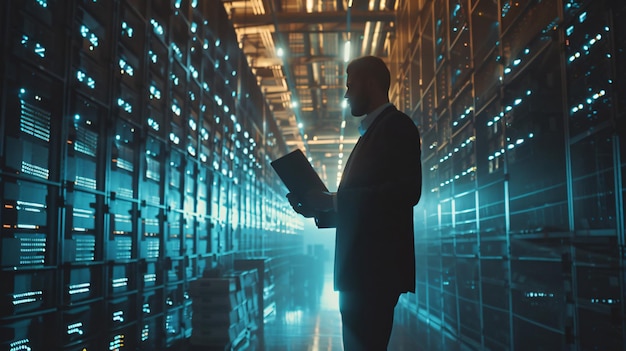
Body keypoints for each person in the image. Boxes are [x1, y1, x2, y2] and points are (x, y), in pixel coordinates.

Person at [286, 55, 422, 350]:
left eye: (350, 86)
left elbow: (407, 191)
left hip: (374, 272)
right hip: (362, 272)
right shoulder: (372, 133)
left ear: (370, 83)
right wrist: (319, 208)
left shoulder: (396, 127)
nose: (346, 95)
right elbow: (367, 207)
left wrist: (335, 201)